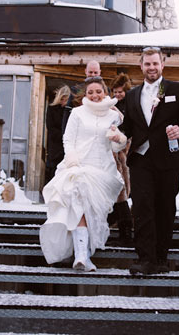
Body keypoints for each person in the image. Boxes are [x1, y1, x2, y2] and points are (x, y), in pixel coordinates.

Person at [119, 47, 179, 275]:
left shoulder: (177, 89)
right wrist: (116, 129)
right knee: (142, 208)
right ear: (141, 67)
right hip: (140, 159)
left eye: (155, 63)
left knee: (164, 208)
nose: (151, 67)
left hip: (168, 159)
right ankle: (145, 259)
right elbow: (129, 126)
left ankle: (161, 259)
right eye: (147, 64)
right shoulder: (133, 95)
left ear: (162, 65)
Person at [40, 76, 127, 271]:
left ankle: (85, 252)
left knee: (93, 212)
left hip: (102, 170)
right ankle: (81, 256)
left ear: (105, 92)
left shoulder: (113, 115)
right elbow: (68, 139)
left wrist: (118, 138)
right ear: (85, 95)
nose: (95, 95)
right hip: (78, 165)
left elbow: (115, 145)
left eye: (98, 91)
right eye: (90, 92)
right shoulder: (77, 113)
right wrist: (71, 159)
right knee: (78, 205)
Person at [108, 73, 133, 244]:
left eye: (120, 92)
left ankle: (123, 227)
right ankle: (122, 226)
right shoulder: (111, 106)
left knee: (122, 191)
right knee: (118, 191)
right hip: (113, 153)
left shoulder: (131, 105)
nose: (117, 95)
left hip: (125, 150)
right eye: (115, 92)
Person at [62, 60, 102, 133]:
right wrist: (65, 135)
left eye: (95, 72)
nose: (93, 75)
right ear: (85, 71)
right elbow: (67, 114)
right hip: (80, 130)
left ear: (100, 72)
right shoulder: (76, 90)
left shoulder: (105, 91)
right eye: (90, 72)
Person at [44, 85, 71, 186]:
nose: (64, 102)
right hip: (55, 145)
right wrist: (63, 136)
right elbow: (50, 127)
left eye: (66, 99)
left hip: (66, 145)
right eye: (62, 99)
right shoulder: (52, 109)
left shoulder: (70, 110)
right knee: (53, 170)